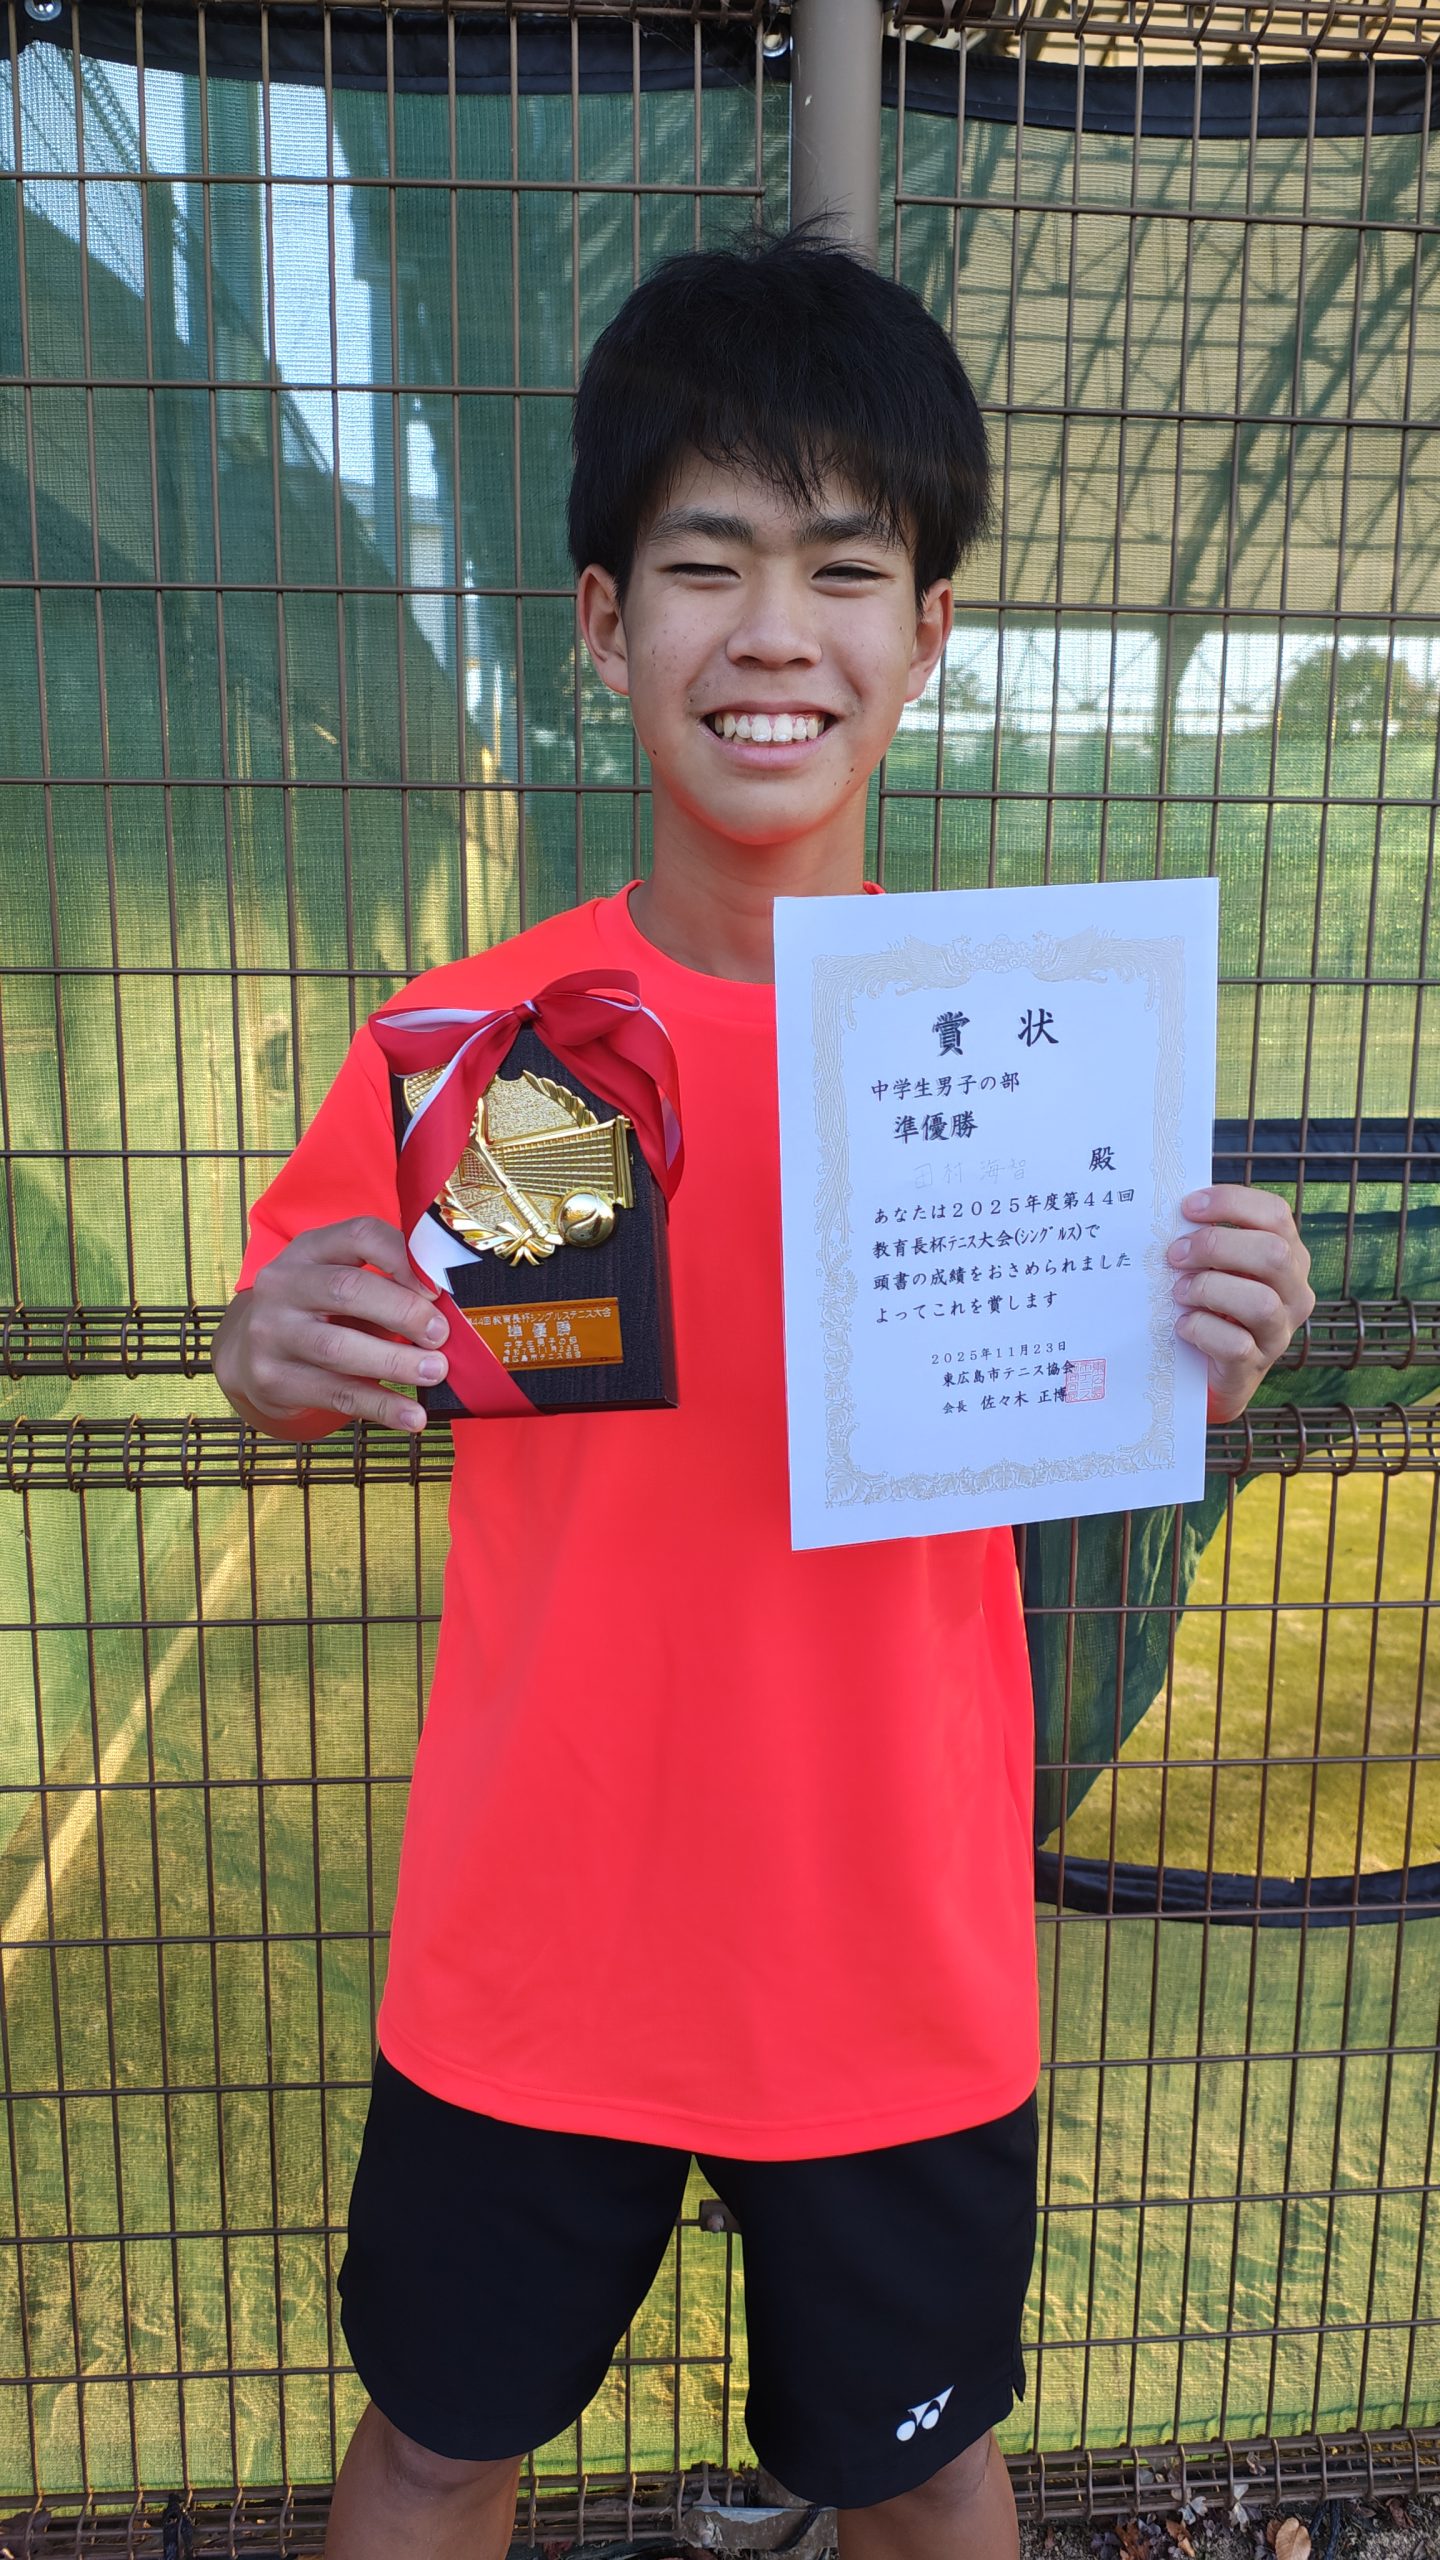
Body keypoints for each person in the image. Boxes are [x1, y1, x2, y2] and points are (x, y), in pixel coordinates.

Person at [212, 230, 1314, 2560]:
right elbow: (294, 1348)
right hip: (538, 1937)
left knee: (916, 2460)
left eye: (844, 566)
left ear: (930, 629)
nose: (774, 631)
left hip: (890, 1949)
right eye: (707, 563)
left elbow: (1131, 1367)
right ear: (605, 622)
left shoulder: (1035, 1054)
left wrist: (1223, 1315)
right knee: (434, 2448)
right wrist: (272, 1344)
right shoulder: (501, 1052)